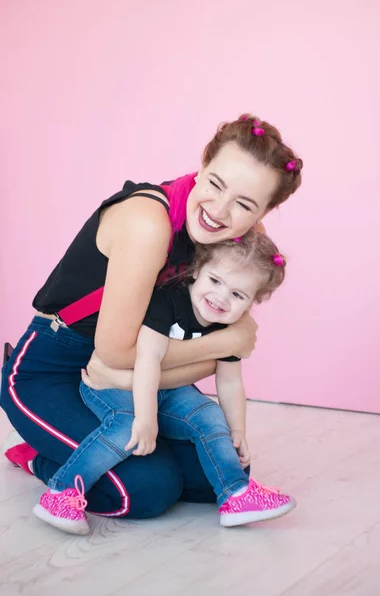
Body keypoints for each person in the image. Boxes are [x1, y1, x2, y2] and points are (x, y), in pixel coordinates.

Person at [1, 114, 303, 520]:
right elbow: (118, 353)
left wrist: (134, 380)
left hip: (133, 378)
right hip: (52, 366)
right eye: (215, 183)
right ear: (202, 166)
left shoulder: (243, 239)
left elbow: (217, 331)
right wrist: (222, 349)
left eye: (245, 204)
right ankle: (40, 458)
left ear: (263, 211)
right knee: (149, 489)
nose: (220, 210)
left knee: (223, 467)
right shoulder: (148, 223)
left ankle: (80, 446)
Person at [32, 230, 295, 534]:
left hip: (166, 391)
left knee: (209, 415)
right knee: (125, 425)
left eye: (238, 295)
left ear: (252, 302)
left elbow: (230, 383)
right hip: (112, 385)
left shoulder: (230, 324)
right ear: (197, 270)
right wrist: (146, 419)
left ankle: (235, 494)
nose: (221, 297)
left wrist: (237, 431)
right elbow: (147, 361)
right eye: (215, 281)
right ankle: (62, 492)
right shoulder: (168, 300)